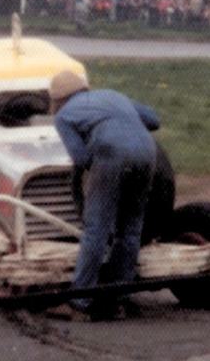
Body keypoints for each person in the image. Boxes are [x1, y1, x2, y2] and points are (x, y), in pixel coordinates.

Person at [45, 70, 160, 321]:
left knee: (96, 230)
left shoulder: (64, 116)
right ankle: (118, 300)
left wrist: (96, 174)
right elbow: (154, 119)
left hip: (111, 154)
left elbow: (81, 158)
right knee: (129, 230)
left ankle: (79, 303)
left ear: (58, 99)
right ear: (84, 88)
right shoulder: (112, 95)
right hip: (148, 154)